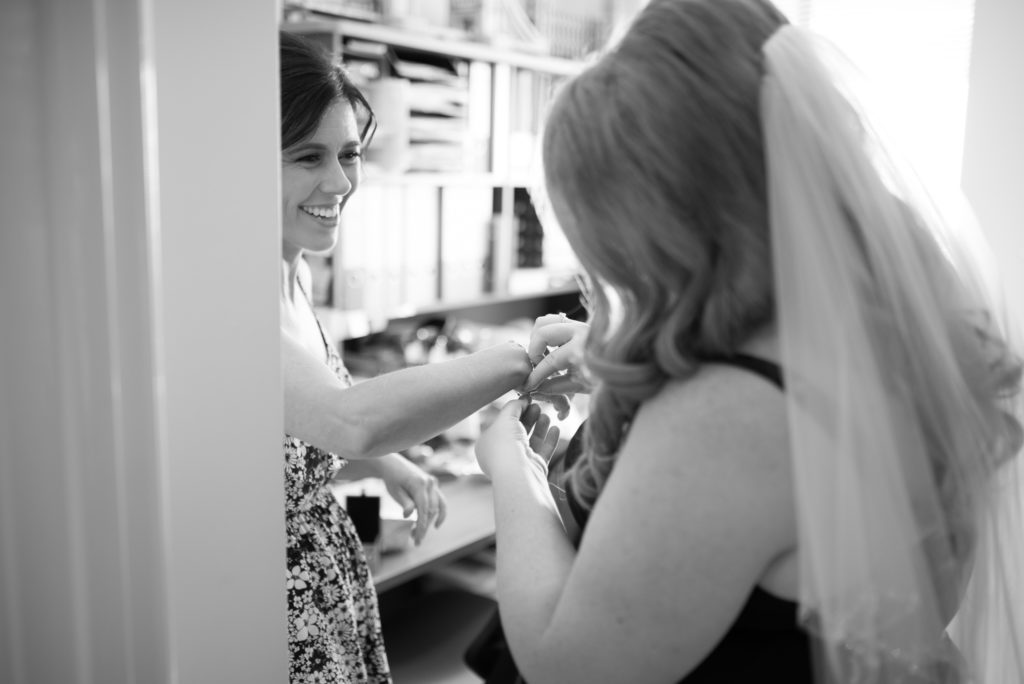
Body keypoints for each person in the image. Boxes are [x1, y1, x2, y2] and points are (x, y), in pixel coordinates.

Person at [473, 1, 1024, 682]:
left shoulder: (729, 414)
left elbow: (568, 666)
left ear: (672, 221)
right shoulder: (890, 331)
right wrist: (621, 360)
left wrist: (512, 468)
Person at [276, 31, 553, 683]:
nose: (340, 181)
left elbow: (304, 412)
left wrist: (390, 462)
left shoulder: (292, 272)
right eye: (308, 157)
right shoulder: (224, 300)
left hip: (328, 583)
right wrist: (517, 359)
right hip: (271, 604)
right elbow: (346, 419)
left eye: (348, 154)